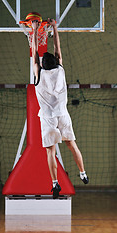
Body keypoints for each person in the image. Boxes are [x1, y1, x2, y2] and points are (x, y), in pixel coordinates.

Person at [32, 19, 89, 199]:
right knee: (72, 145)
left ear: (41, 65)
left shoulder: (39, 74)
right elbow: (57, 49)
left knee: (51, 151)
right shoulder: (61, 71)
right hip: (63, 115)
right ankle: (83, 173)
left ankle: (55, 183)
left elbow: (34, 53)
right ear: (56, 62)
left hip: (48, 118)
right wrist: (54, 28)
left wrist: (34, 30)